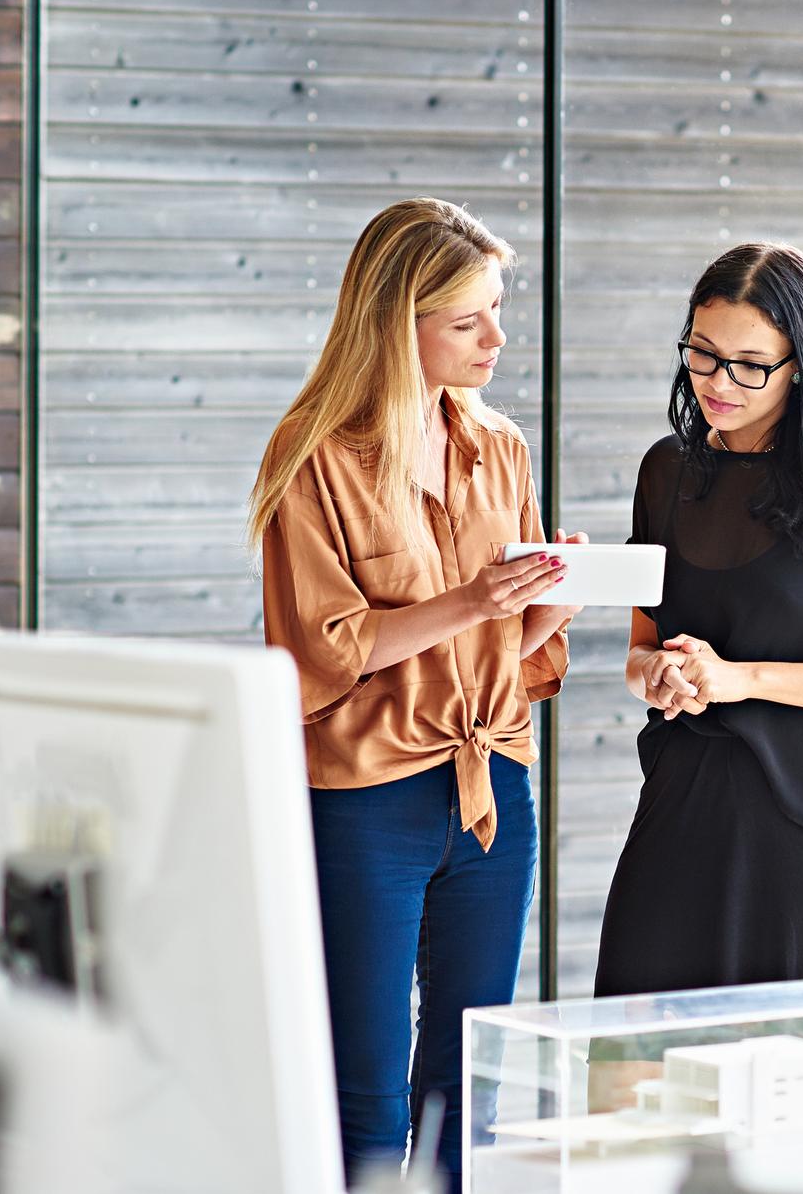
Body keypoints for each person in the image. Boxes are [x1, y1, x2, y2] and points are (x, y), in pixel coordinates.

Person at [246, 197, 584, 1180]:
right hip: (364, 800)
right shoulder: (312, 454)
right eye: (467, 319)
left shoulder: (501, 450)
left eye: (497, 308)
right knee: (363, 1092)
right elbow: (317, 651)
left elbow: (512, 655)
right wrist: (474, 600)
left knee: (467, 1086)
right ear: (401, 325)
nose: (496, 336)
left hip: (492, 790)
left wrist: (551, 604)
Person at [594, 242, 803, 999]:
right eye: (703, 354)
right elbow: (639, 653)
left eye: (750, 364)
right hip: (678, 827)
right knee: (635, 1094)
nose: (719, 383)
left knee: (801, 1104)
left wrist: (738, 679)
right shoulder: (666, 472)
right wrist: (661, 677)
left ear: (799, 365)